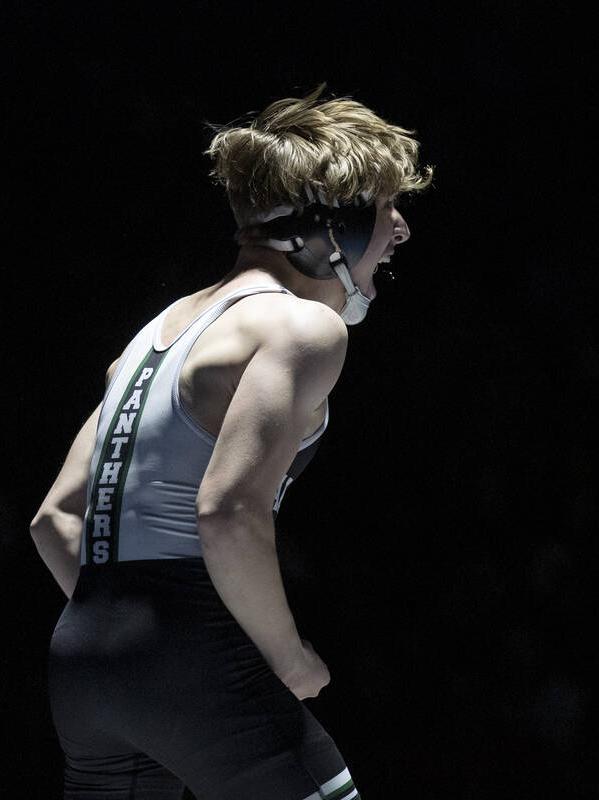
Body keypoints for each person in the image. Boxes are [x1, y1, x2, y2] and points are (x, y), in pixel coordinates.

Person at [29, 88, 432, 799]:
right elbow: (227, 511)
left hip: (84, 661)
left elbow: (55, 520)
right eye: (384, 207)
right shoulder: (301, 329)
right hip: (191, 650)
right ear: (328, 227)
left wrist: (127, 636)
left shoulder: (152, 337)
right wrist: (287, 657)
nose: (399, 228)